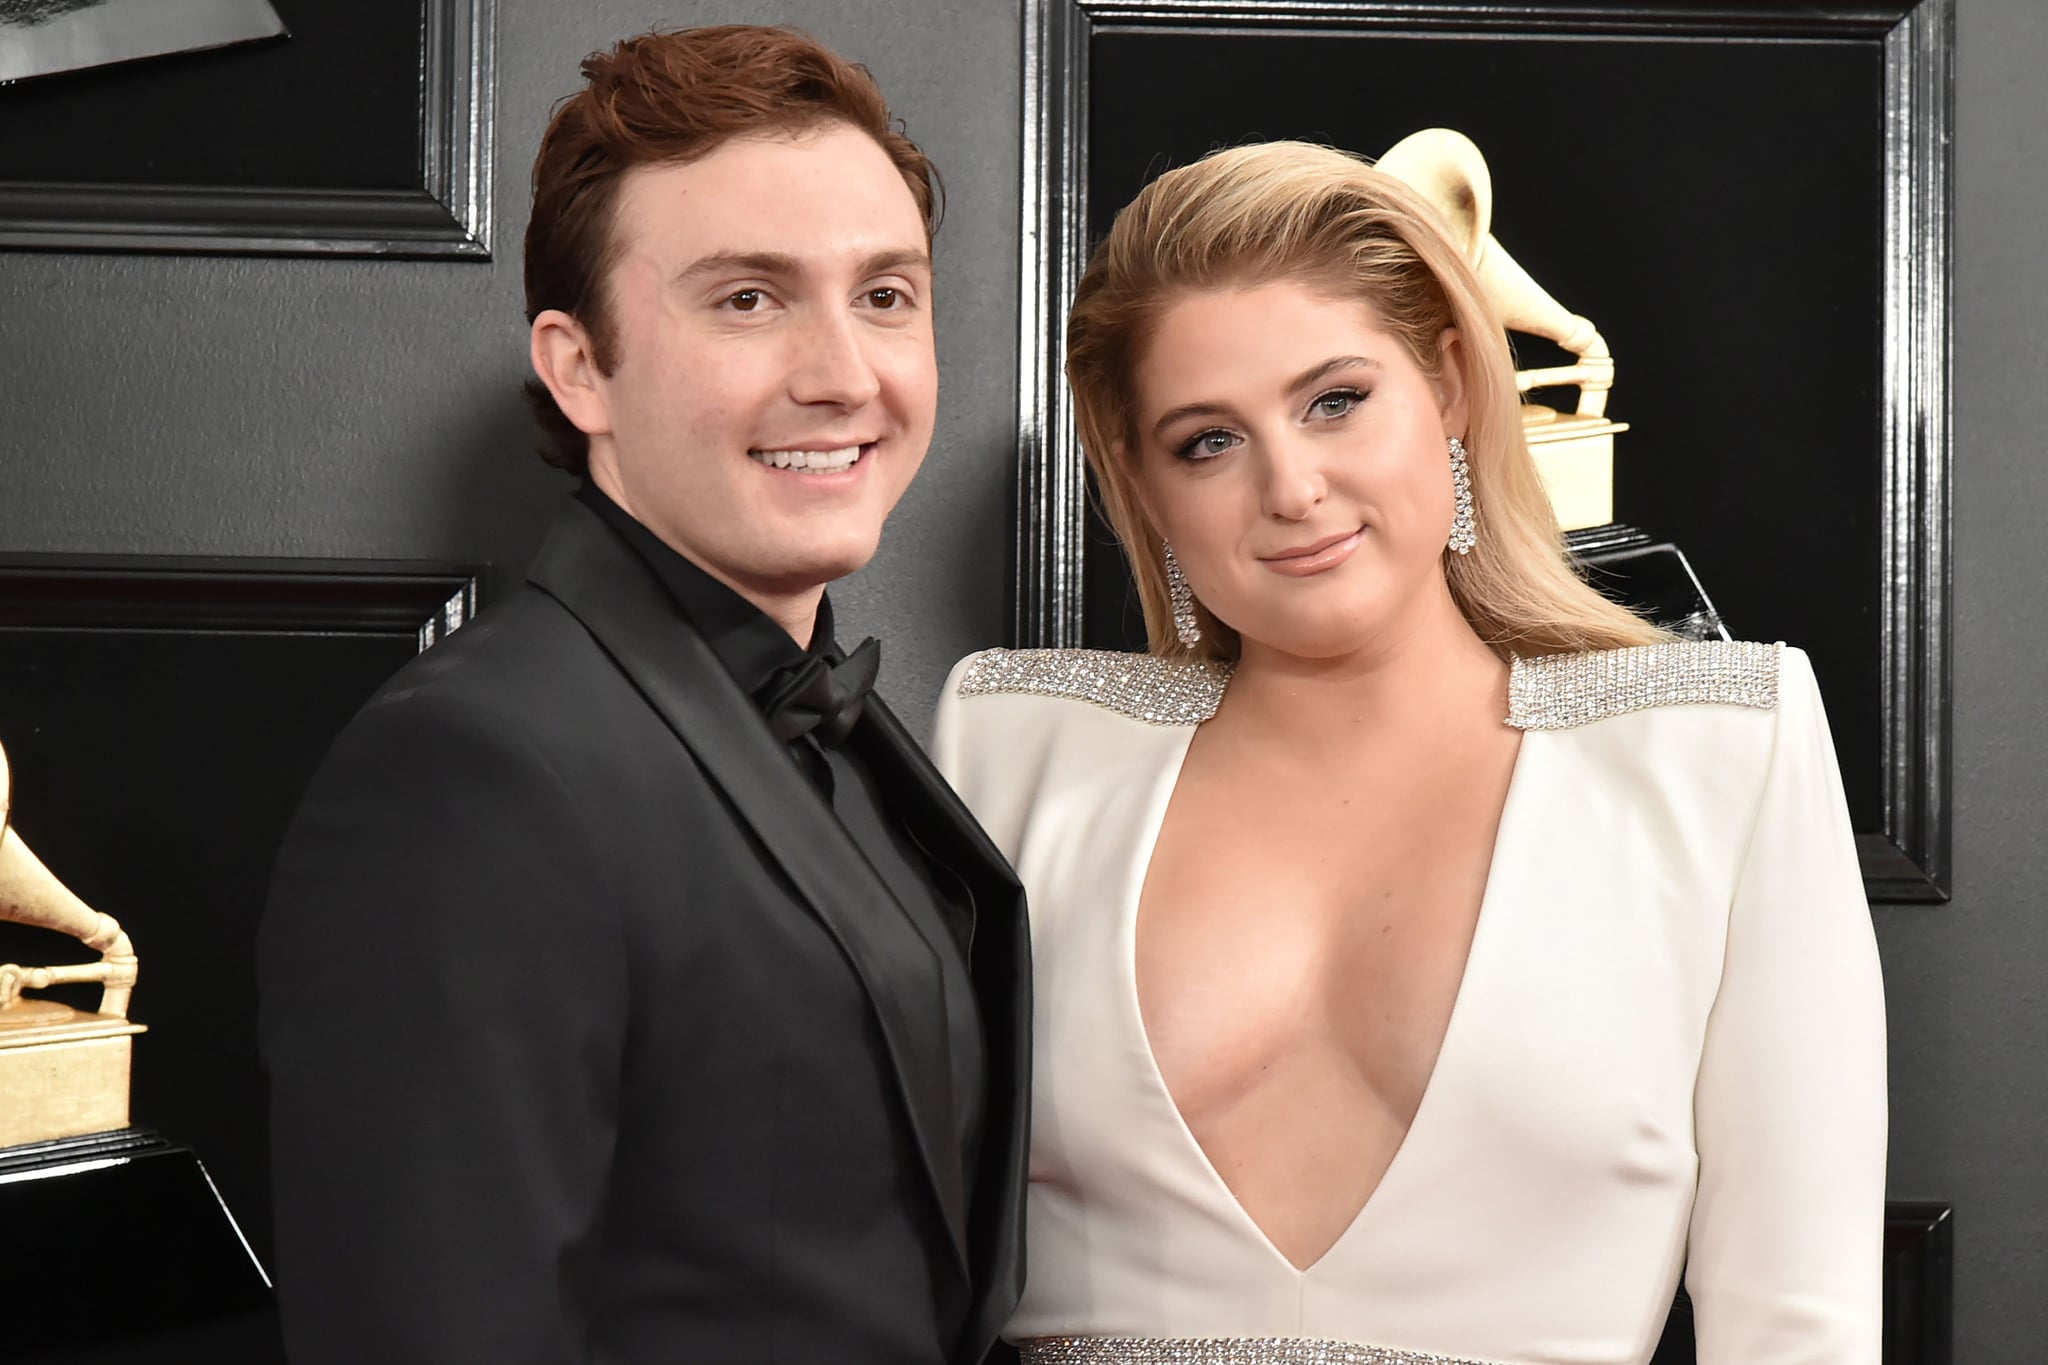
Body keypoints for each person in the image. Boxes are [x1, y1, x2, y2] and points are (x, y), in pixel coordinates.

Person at [933, 141, 1885, 1365]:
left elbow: (1795, 1325)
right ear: (1139, 480)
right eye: (1205, 442)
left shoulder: (1716, 755)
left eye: (1334, 400)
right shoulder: (1014, 754)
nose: (1291, 486)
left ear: (1444, 387)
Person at [259, 26, 1028, 1365]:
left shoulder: (830, 733)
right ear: (579, 367)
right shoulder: (470, 771)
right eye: (749, 298)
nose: (845, 373)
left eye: (887, 295)